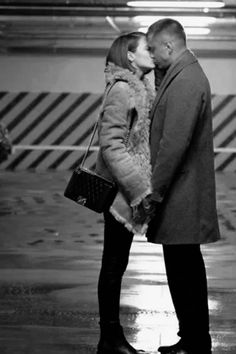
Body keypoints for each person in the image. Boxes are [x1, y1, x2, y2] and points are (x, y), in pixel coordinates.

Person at [145, 19, 221, 354]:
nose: (151, 56)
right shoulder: (180, 76)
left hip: (181, 194)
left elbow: (173, 144)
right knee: (183, 267)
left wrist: (154, 191)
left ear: (169, 45)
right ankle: (191, 337)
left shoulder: (187, 80)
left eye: (152, 49)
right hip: (182, 194)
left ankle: (195, 341)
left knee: (185, 269)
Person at [95, 32, 155, 354]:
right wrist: (137, 188)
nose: (153, 53)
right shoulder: (122, 90)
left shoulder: (142, 88)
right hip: (121, 193)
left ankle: (112, 338)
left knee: (117, 264)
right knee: (113, 265)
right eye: (147, 48)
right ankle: (109, 339)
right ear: (130, 56)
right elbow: (112, 145)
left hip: (130, 191)